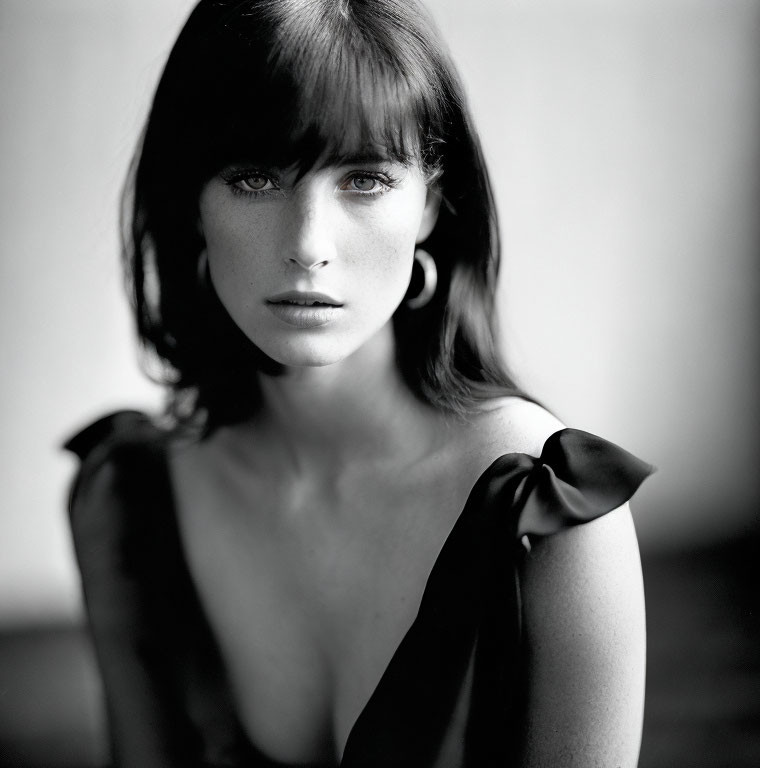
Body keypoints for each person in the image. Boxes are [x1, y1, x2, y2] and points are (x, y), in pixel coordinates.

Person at [65, 1, 653, 766]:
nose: (309, 245)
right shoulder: (132, 499)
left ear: (432, 205)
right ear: (192, 207)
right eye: (253, 177)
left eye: (366, 178)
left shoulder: (549, 518)